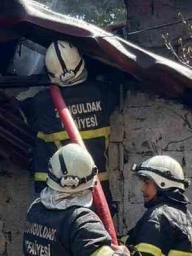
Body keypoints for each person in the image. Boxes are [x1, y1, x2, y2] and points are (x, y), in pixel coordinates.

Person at [19, 41, 119, 214]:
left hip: (56, 194)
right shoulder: (103, 93)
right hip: (97, 189)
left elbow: (20, 111)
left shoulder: (42, 102)